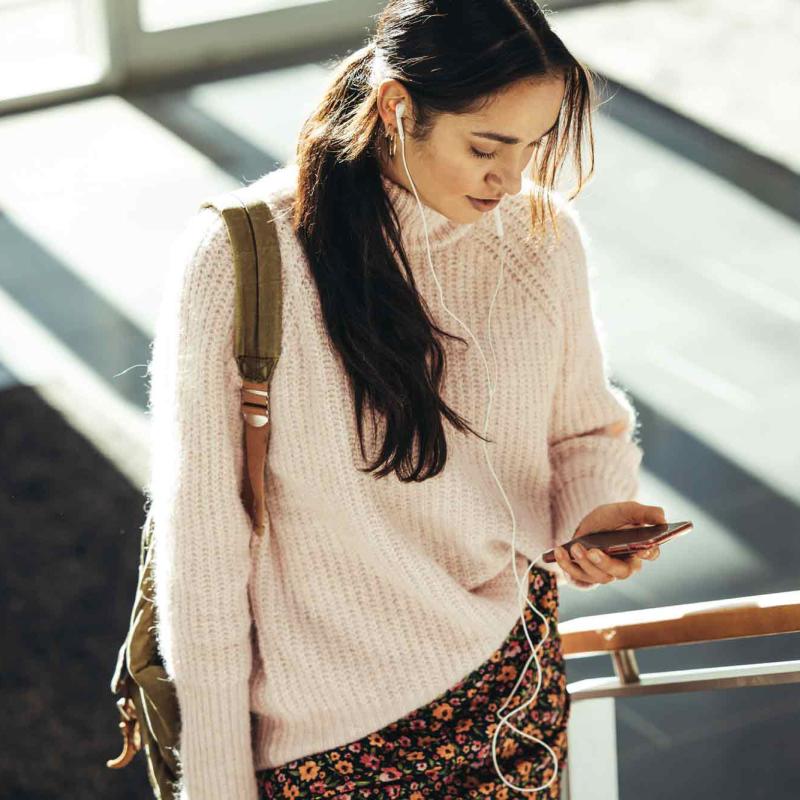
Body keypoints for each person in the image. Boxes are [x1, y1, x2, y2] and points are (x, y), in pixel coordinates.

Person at [147, 1, 663, 798]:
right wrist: (216, 783)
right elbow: (205, 549)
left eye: (532, 146)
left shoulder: (541, 238)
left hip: (512, 684)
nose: (511, 178)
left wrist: (592, 515)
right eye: (485, 146)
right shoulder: (243, 258)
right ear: (397, 108)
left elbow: (583, 429)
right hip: (329, 737)